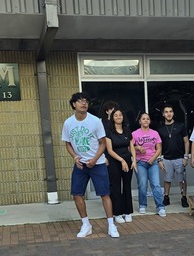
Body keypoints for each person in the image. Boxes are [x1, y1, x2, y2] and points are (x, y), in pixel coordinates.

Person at [62, 91, 119, 239]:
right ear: (74, 104)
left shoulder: (95, 121)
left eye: (86, 101)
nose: (84, 103)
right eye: (80, 101)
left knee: (105, 194)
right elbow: (67, 144)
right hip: (80, 165)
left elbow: (103, 143)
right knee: (76, 194)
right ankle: (86, 224)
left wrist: (95, 159)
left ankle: (111, 225)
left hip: (97, 164)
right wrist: (75, 157)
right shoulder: (68, 123)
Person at [105, 105, 136, 223]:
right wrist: (121, 160)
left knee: (127, 186)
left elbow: (131, 147)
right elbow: (110, 150)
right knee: (116, 187)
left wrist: (133, 159)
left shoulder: (127, 130)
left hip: (128, 161)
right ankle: (117, 213)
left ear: (123, 117)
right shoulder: (109, 132)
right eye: (116, 115)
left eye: (120, 115)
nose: (118, 117)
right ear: (113, 118)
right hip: (114, 162)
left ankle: (128, 212)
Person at [132, 112, 166, 216]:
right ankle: (142, 205)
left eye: (147, 119)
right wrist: (138, 147)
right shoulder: (134, 134)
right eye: (143, 119)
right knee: (142, 184)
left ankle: (160, 206)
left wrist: (153, 158)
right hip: (140, 162)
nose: (146, 120)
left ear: (150, 121)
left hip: (153, 162)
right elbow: (130, 147)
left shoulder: (155, 133)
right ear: (140, 121)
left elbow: (159, 148)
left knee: (156, 184)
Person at [158, 103, 190, 208]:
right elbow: (159, 146)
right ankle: (166, 197)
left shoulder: (180, 126)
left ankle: (184, 197)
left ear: (173, 113)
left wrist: (186, 157)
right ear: (163, 114)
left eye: (170, 111)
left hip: (179, 158)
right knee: (167, 179)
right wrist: (159, 159)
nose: (169, 114)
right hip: (166, 158)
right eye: (166, 112)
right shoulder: (160, 129)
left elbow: (186, 142)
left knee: (182, 180)